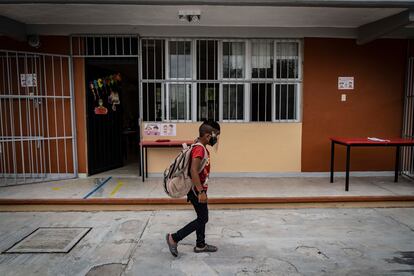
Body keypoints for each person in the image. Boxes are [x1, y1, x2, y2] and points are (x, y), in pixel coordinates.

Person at [166, 120, 221, 257]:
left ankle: (200, 244)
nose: (216, 139)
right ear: (208, 136)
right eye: (216, 135)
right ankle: (174, 238)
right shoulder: (199, 149)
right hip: (197, 190)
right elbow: (193, 170)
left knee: (201, 216)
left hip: (198, 189)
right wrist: (201, 191)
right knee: (203, 218)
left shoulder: (199, 145)